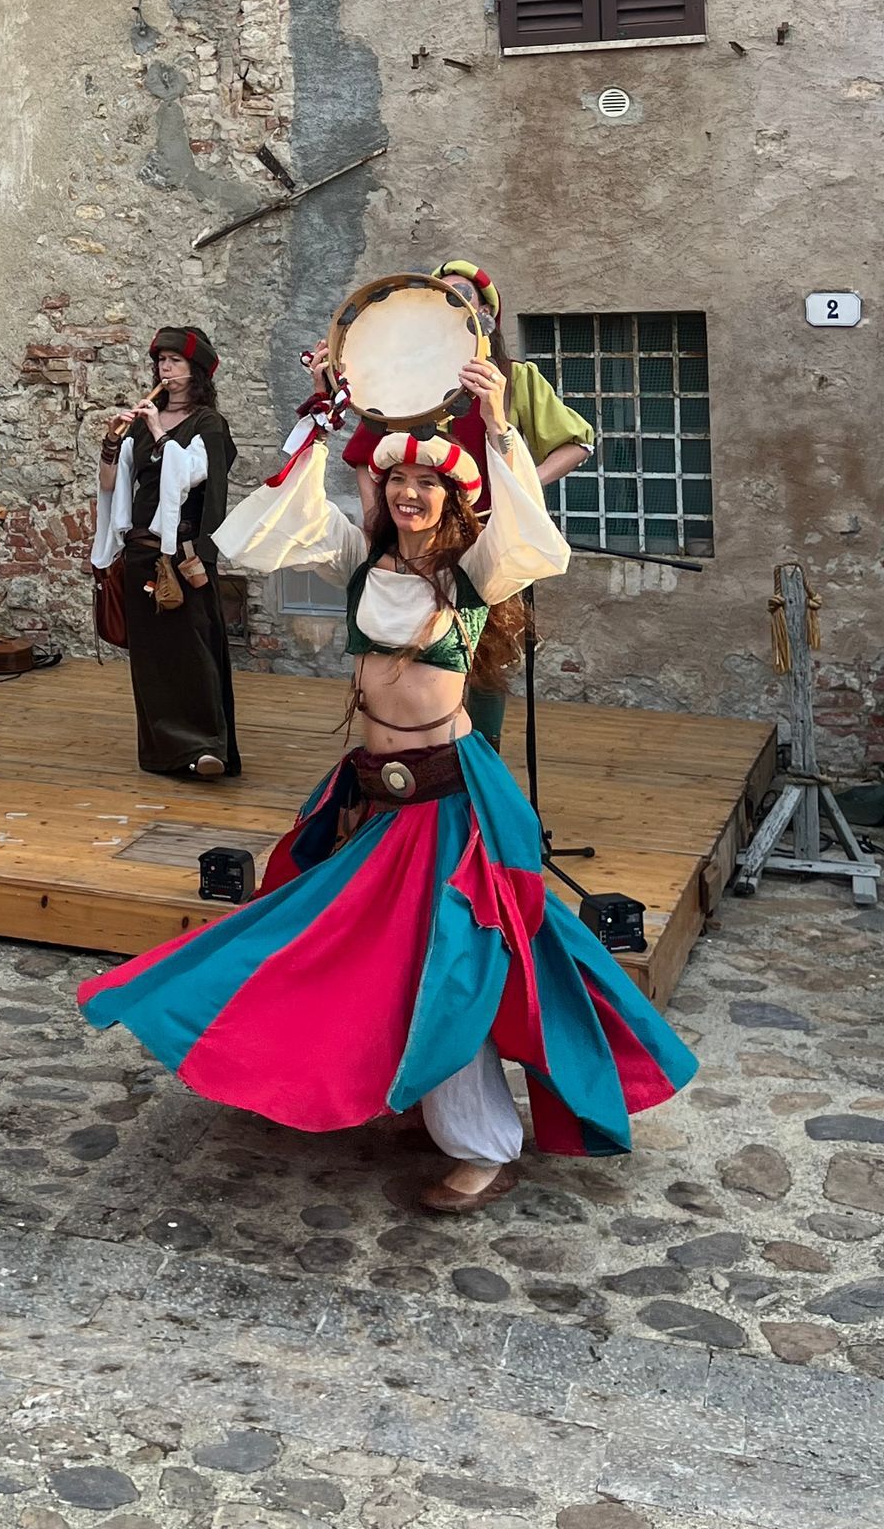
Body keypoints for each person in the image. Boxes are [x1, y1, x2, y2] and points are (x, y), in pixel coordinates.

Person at [79, 354, 696, 1213]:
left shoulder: (471, 576)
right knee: (365, 952)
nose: (406, 494)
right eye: (394, 479)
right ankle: (412, 1091)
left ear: (451, 501)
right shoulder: (363, 568)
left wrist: (505, 428)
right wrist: (325, 424)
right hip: (374, 793)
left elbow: (531, 535)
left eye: (424, 485)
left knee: (454, 960)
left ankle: (484, 1146)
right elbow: (263, 530)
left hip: (449, 804)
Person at [335, 259, 595, 747]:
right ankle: (413, 743)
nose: (451, 304)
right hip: (417, 535)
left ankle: (481, 755)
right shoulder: (405, 381)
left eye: (462, 296)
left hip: (486, 536)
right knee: (417, 645)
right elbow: (361, 457)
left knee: (489, 653)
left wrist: (521, 492)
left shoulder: (513, 380)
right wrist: (374, 517)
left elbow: (578, 442)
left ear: (485, 316)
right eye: (442, 295)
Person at [92, 325, 240, 779]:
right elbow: (110, 483)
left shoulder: (208, 424)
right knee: (153, 658)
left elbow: (196, 477)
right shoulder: (142, 422)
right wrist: (115, 440)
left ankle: (206, 748)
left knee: (193, 650)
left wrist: (158, 431)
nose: (165, 369)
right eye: (161, 361)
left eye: (174, 361)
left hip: (184, 553)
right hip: (141, 551)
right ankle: (164, 752)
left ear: (195, 371)